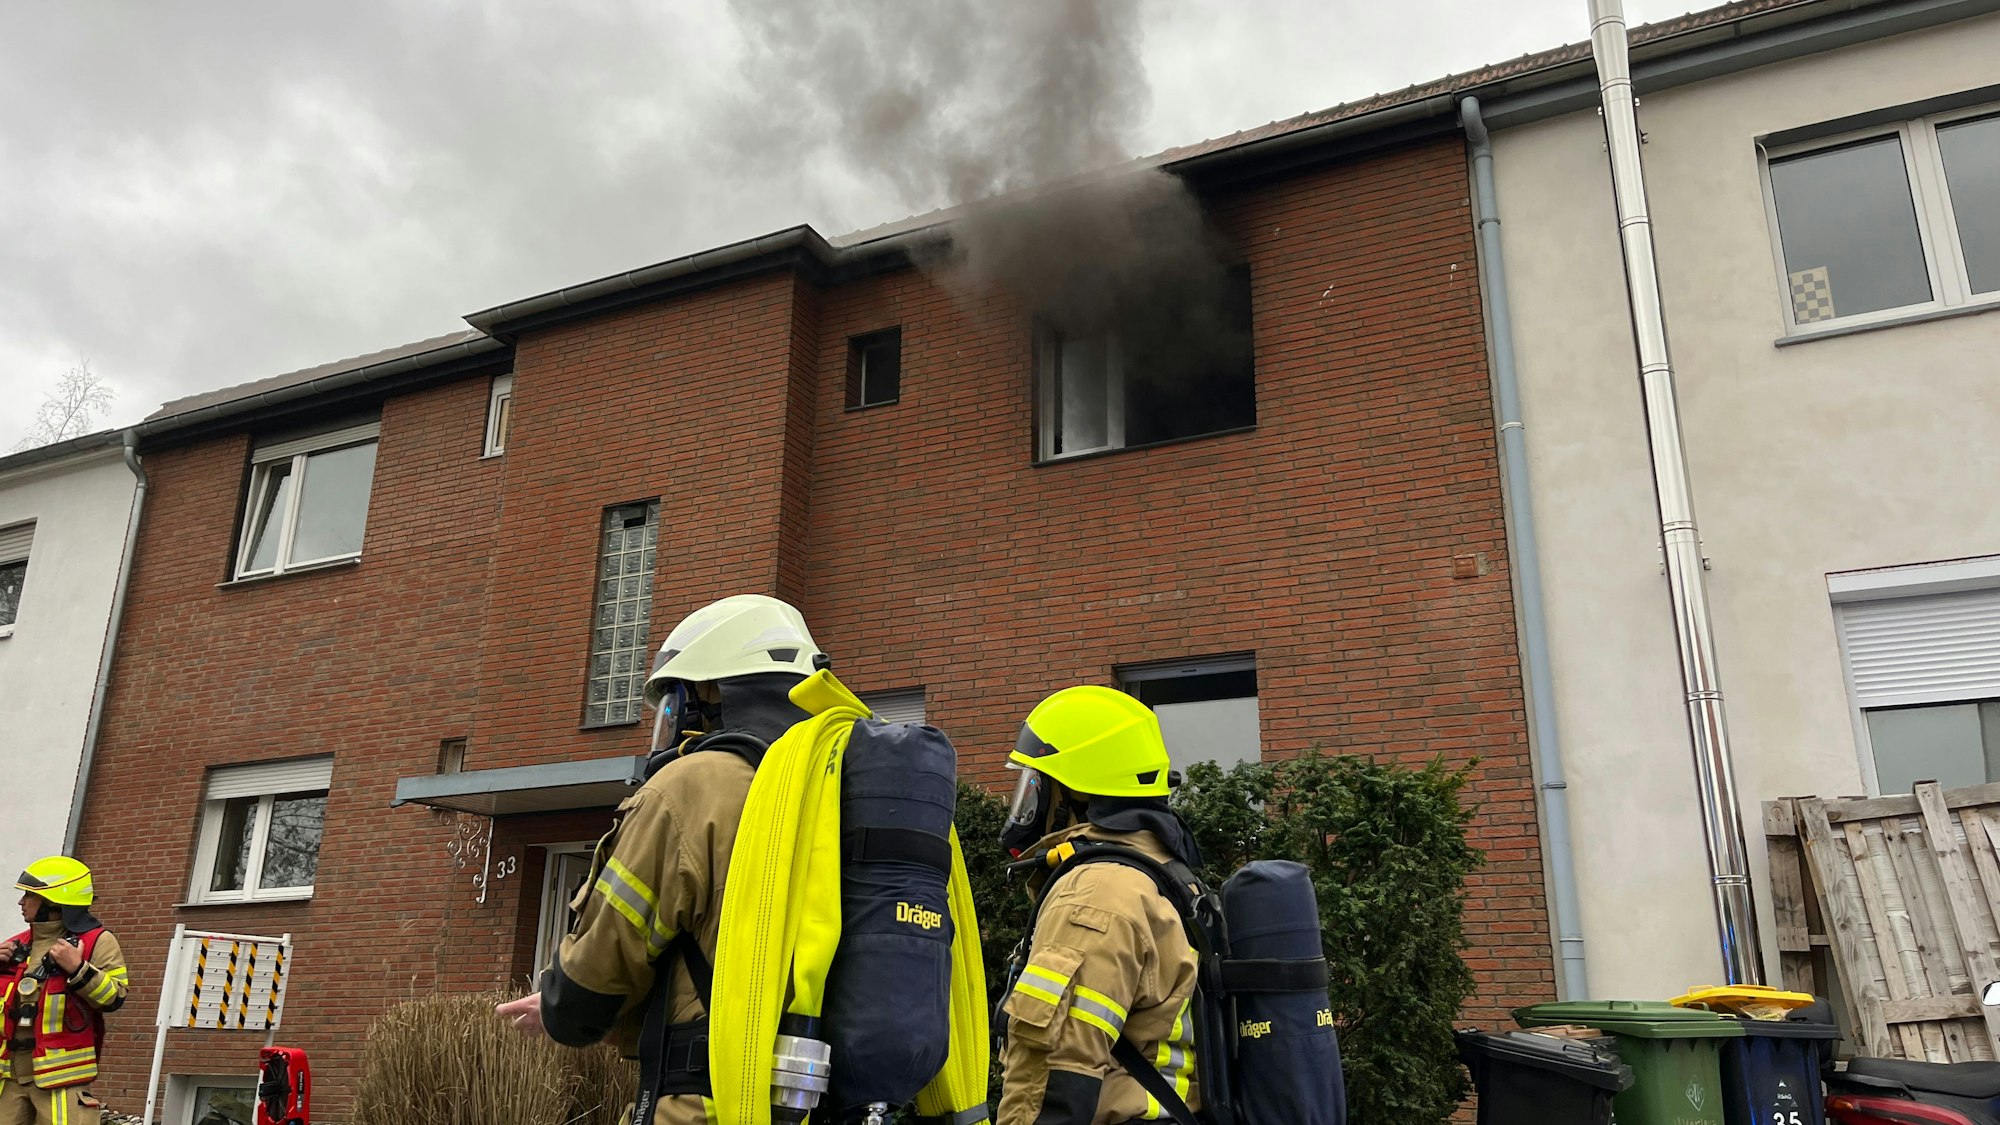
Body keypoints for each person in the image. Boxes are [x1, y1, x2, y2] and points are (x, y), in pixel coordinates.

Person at [497, 593, 987, 1125]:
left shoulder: (693, 785)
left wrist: (557, 1003)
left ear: (708, 694)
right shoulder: (859, 790)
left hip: (715, 1103)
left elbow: (595, 981)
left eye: (670, 705)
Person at [995, 687, 1206, 1125]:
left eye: (1036, 783)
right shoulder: (1161, 875)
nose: (1024, 803)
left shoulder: (1095, 894)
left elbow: (1051, 1071)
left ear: (1073, 794)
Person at [0, 857, 130, 1125]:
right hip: (9, 1078)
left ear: (53, 901)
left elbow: (114, 997)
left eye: (29, 895)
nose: (21, 902)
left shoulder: (96, 941)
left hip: (61, 1079)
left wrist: (78, 968)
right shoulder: (15, 945)